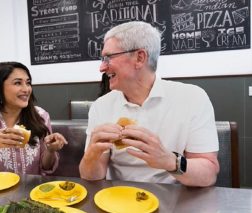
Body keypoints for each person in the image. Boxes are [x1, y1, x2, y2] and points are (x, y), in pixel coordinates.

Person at [79, 21, 219, 187]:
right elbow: (90, 177)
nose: (102, 67)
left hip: (174, 201)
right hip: (116, 200)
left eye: (108, 57)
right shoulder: (101, 106)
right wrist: (91, 155)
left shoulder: (193, 98)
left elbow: (209, 174)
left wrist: (169, 161)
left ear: (140, 58)